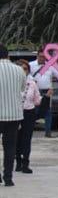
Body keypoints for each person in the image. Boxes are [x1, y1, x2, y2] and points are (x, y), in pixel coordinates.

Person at [0, 44, 27, 186]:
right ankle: (8, 178)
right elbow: (23, 89)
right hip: (13, 115)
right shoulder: (19, 70)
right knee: (10, 147)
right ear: (7, 55)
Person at [29, 47, 58, 137]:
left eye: (44, 57)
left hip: (47, 91)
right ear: (37, 56)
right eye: (40, 56)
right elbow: (26, 76)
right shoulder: (31, 65)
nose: (42, 58)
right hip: (35, 91)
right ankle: (29, 132)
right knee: (33, 111)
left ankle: (48, 133)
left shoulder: (50, 66)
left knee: (47, 112)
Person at [15, 59, 41, 174]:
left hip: (29, 112)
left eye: (25, 69)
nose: (23, 71)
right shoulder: (12, 82)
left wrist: (44, 98)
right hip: (15, 113)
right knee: (16, 138)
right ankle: (18, 162)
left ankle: (26, 163)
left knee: (27, 139)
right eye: (21, 68)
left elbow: (37, 100)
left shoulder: (32, 83)